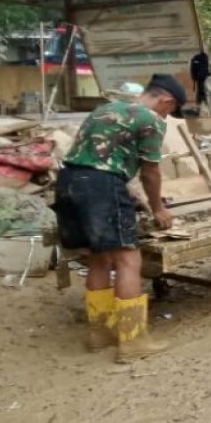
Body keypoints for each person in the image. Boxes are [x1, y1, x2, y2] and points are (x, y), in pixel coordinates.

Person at [53, 74, 184, 363]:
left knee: (99, 257)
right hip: (102, 186)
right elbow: (151, 172)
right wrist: (158, 208)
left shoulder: (105, 109)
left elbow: (97, 155)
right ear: (166, 100)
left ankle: (100, 333)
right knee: (128, 260)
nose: (167, 116)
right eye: (170, 110)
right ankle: (133, 340)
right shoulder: (150, 119)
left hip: (68, 182)